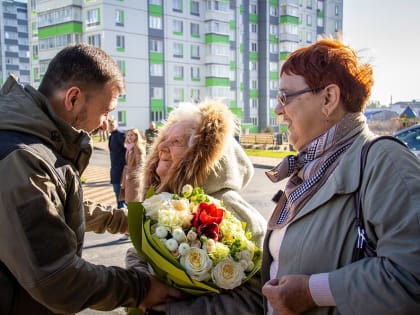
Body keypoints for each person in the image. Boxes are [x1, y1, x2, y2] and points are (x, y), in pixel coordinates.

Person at [0, 44, 181, 314]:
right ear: (73, 98)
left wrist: (124, 221)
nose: (105, 124)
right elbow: (58, 279)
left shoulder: (36, 145)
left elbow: (54, 206)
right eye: (105, 111)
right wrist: (141, 289)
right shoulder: (22, 158)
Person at [261, 38, 420, 315]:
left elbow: (411, 277)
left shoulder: (385, 162)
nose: (278, 110)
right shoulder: (311, 167)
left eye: (285, 97)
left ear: (328, 99)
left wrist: (312, 292)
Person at [126, 100, 267, 315]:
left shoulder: (231, 209)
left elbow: (257, 298)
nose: (162, 147)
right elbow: (137, 251)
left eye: (176, 141)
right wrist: (144, 285)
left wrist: (178, 310)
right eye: (163, 139)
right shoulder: (162, 202)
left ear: (201, 156)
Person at [108, 117, 127, 209]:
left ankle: (123, 215)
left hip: (122, 170)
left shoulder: (120, 134)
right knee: (117, 193)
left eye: (112, 124)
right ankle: (122, 214)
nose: (110, 126)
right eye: (109, 125)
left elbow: (129, 149)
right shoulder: (112, 136)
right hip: (115, 169)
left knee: (121, 195)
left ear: (116, 124)